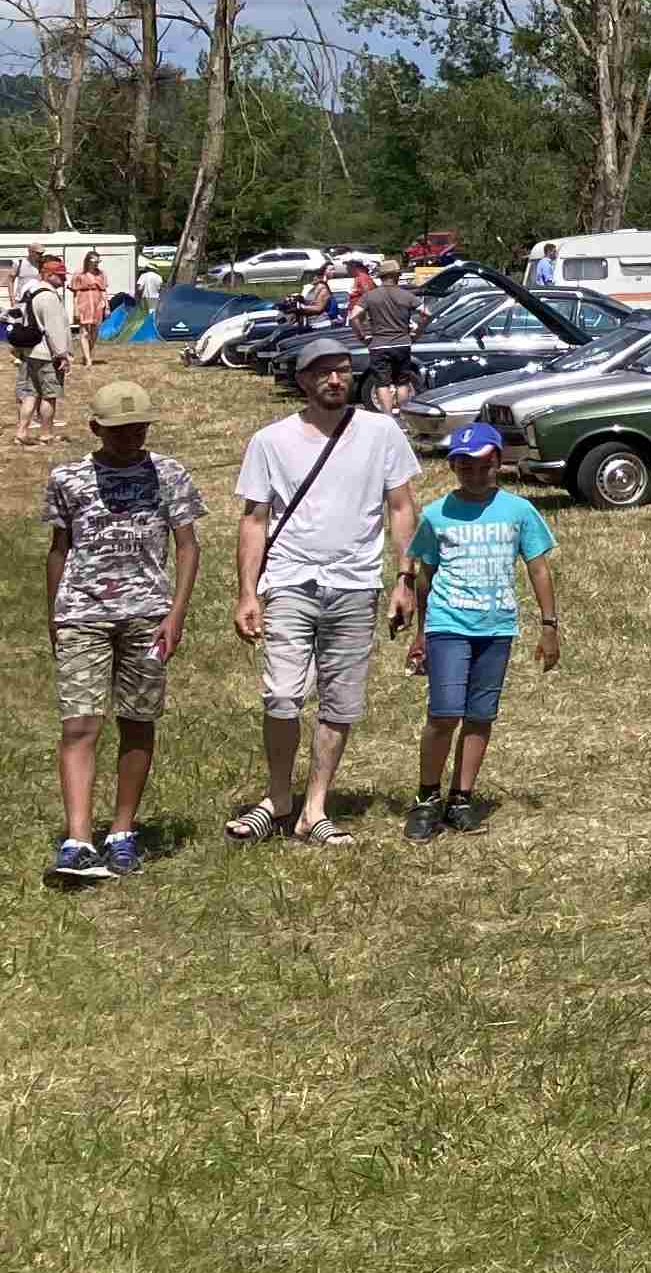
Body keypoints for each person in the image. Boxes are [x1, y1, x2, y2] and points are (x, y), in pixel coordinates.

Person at [228, 340, 423, 847]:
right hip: (290, 581)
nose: (335, 380)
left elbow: (401, 507)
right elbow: (254, 519)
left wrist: (405, 579)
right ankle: (278, 798)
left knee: (341, 700)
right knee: (282, 695)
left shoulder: (381, 432)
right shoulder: (270, 441)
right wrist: (247, 593)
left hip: (356, 585)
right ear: (302, 381)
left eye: (342, 371)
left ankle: (314, 808)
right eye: (322, 373)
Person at [42, 379, 203, 887]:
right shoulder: (68, 478)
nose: (131, 438)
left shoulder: (169, 474)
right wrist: (55, 615)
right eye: (119, 431)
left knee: (137, 719)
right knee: (79, 724)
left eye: (139, 429)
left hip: (147, 616)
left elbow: (187, 546)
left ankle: (122, 831)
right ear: (95, 428)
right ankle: (78, 839)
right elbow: (59, 549)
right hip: (82, 614)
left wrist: (175, 614)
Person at [390, 423, 560, 841]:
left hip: (496, 627)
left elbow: (538, 569)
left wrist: (549, 625)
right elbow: (425, 576)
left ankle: (461, 798)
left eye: (483, 465)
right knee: (444, 712)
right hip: (448, 624)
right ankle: (427, 798)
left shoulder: (519, 511)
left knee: (481, 715)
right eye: (464, 466)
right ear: (452, 467)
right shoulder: (436, 514)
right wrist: (421, 634)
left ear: (498, 462)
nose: (474, 473)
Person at [12, 250, 73, 448]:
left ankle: (21, 432)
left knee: (30, 394)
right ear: (48, 275)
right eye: (60, 275)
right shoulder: (48, 297)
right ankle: (46, 434)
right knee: (49, 395)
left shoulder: (32, 292)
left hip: (31, 353)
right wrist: (62, 355)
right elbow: (54, 329)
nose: (64, 279)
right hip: (47, 355)